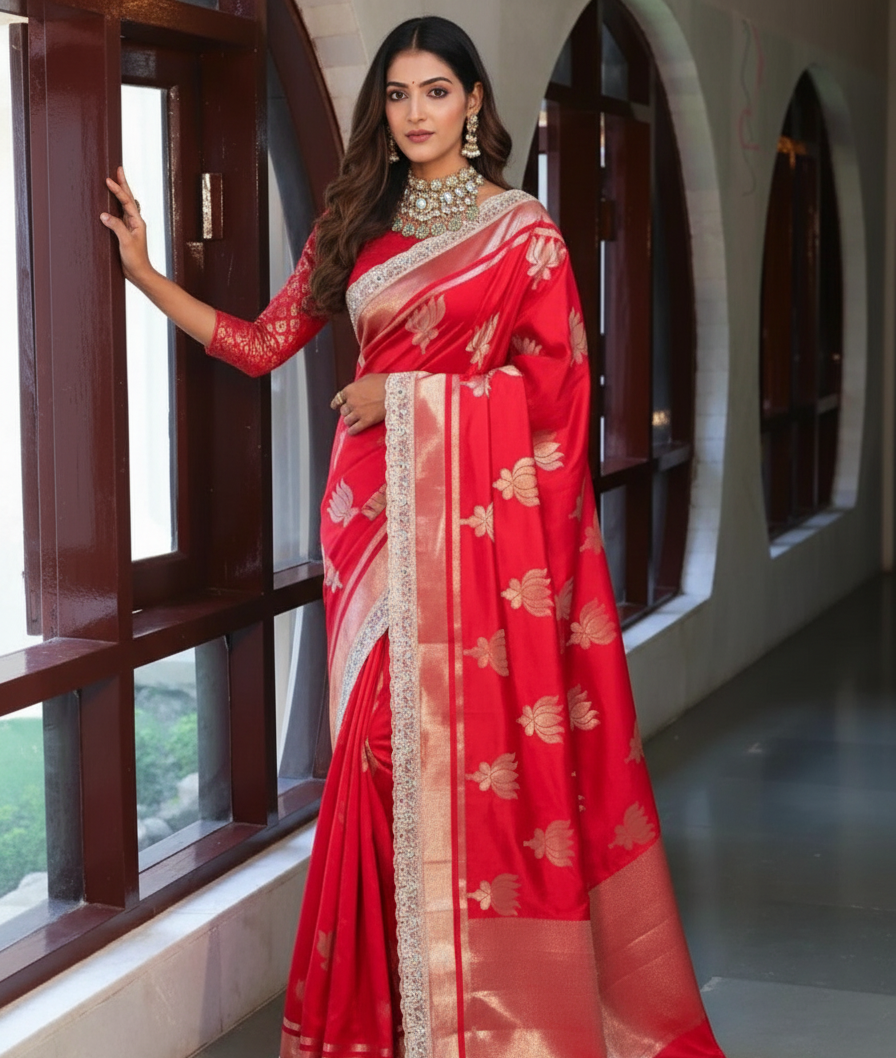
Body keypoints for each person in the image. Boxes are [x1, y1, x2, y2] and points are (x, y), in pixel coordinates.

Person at [102, 15, 725, 1058]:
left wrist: (406, 394)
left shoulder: (523, 235)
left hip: (466, 523)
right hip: (366, 524)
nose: (415, 113)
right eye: (397, 94)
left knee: (425, 755)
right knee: (373, 755)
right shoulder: (355, 220)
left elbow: (556, 400)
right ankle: (381, 1020)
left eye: (436, 92)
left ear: (473, 103)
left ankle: (461, 1004)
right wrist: (145, 274)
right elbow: (260, 343)